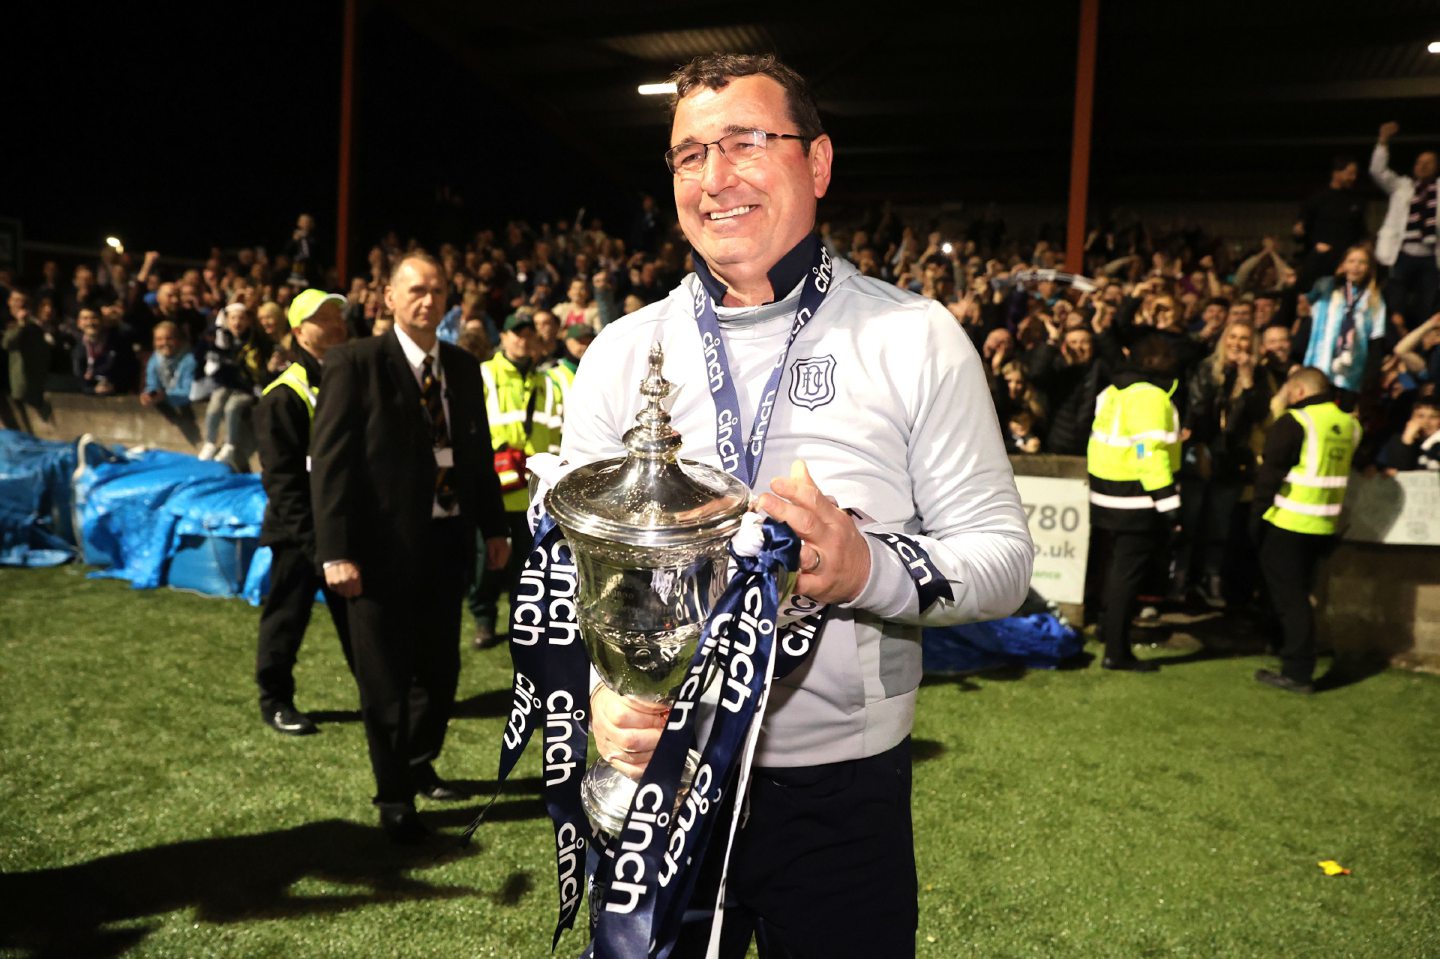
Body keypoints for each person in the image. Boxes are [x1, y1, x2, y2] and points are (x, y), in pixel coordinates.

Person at [559, 53, 1032, 957]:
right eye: (689, 154)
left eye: (745, 143)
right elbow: (572, 568)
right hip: (663, 776)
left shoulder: (914, 337)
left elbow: (1003, 557)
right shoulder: (623, 353)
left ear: (816, 163)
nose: (714, 177)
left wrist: (866, 568)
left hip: (839, 797)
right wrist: (601, 691)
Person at [310, 253, 511, 843]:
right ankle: (393, 793)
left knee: (440, 672)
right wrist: (335, 551)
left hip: (446, 545)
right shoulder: (354, 363)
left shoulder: (463, 366)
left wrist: (494, 528)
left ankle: (419, 763)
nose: (429, 300)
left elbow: (476, 455)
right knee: (385, 680)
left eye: (438, 290)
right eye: (416, 290)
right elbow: (332, 465)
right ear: (389, 299)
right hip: (376, 554)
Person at [254, 289, 356, 736]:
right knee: (285, 621)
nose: (334, 324)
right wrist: (318, 547)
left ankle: (381, 698)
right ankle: (274, 700)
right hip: (298, 534)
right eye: (322, 319)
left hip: (345, 528)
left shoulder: (350, 379)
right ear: (298, 332)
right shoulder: (283, 396)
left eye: (337, 316)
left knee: (360, 625)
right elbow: (281, 484)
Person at [1250, 367, 1361, 693]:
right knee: (1299, 594)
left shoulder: (1296, 421)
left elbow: (1269, 475)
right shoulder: (1350, 425)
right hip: (1325, 523)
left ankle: (1297, 671)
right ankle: (1285, 650)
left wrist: (1255, 519)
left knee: (1291, 598)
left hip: (1289, 520)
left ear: (1298, 390)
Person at [1086, 336, 1182, 673]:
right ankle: (1117, 651)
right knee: (1127, 574)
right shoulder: (1150, 396)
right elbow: (1147, 452)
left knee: (1115, 570)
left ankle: (1107, 632)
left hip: (1107, 491)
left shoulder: (1115, 390)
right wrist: (1169, 503)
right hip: (1136, 496)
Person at [468, 312, 561, 650]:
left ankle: (521, 622)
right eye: (515, 333)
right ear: (503, 338)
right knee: (486, 563)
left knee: (529, 566)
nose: (522, 340)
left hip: (535, 493)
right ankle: (484, 621)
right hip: (494, 488)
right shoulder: (483, 374)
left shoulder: (549, 382)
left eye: (528, 334)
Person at [1371, 122, 1438, 329]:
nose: (1423, 166)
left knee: (1428, 304)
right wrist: (1383, 141)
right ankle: (1395, 337)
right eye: (1419, 162)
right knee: (1396, 302)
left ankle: (1423, 342)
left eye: (1429, 162)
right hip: (1403, 253)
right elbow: (1377, 171)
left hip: (1431, 256)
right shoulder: (1402, 186)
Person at [1301, 246, 1386, 407]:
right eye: (1351, 261)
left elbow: (1376, 337)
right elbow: (1304, 287)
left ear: (1369, 268)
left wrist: (1371, 374)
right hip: (1320, 361)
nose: (1356, 266)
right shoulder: (1327, 286)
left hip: (1352, 368)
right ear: (1343, 264)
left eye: (1362, 262)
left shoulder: (1374, 297)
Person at [1294, 156, 1366, 292]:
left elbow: (1361, 232)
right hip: (1319, 261)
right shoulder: (1316, 199)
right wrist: (1303, 235)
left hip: (1345, 262)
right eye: (1349, 173)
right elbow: (1300, 233)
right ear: (1336, 173)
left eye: (1355, 174)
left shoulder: (1357, 201)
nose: (1353, 177)